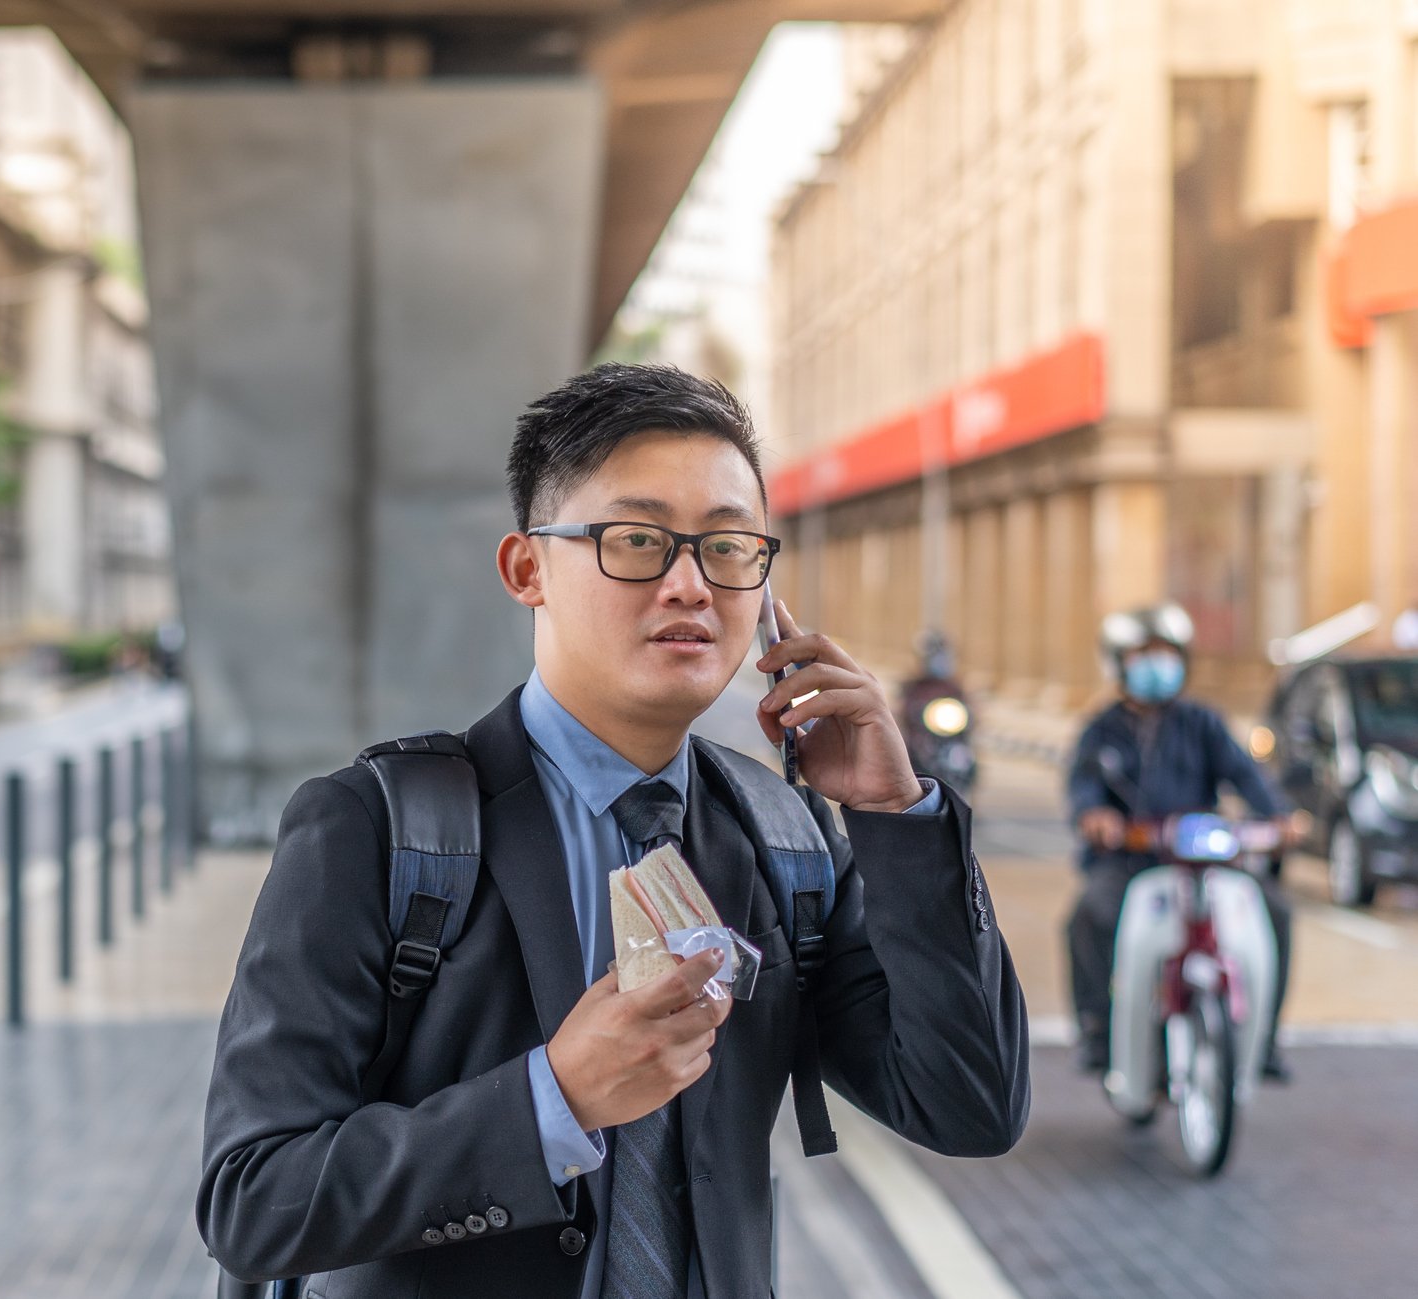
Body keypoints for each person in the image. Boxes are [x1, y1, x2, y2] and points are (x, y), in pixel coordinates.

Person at [198, 364, 1030, 1298]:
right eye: (636, 540)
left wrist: (894, 815)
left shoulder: (781, 835)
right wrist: (550, 1100)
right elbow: (251, 1199)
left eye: (726, 547)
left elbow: (970, 1105)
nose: (688, 584)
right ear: (526, 568)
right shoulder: (378, 829)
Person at [1064, 602, 1294, 1079]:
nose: (1158, 665)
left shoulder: (1202, 722)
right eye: (1145, 654)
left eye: (1167, 653)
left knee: (1275, 909)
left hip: (1200, 854)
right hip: (1130, 859)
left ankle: (1264, 1040)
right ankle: (1098, 1032)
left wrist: (1281, 819)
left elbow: (1246, 775)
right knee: (1089, 915)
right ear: (1118, 661)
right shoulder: (1100, 730)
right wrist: (1096, 817)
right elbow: (1083, 790)